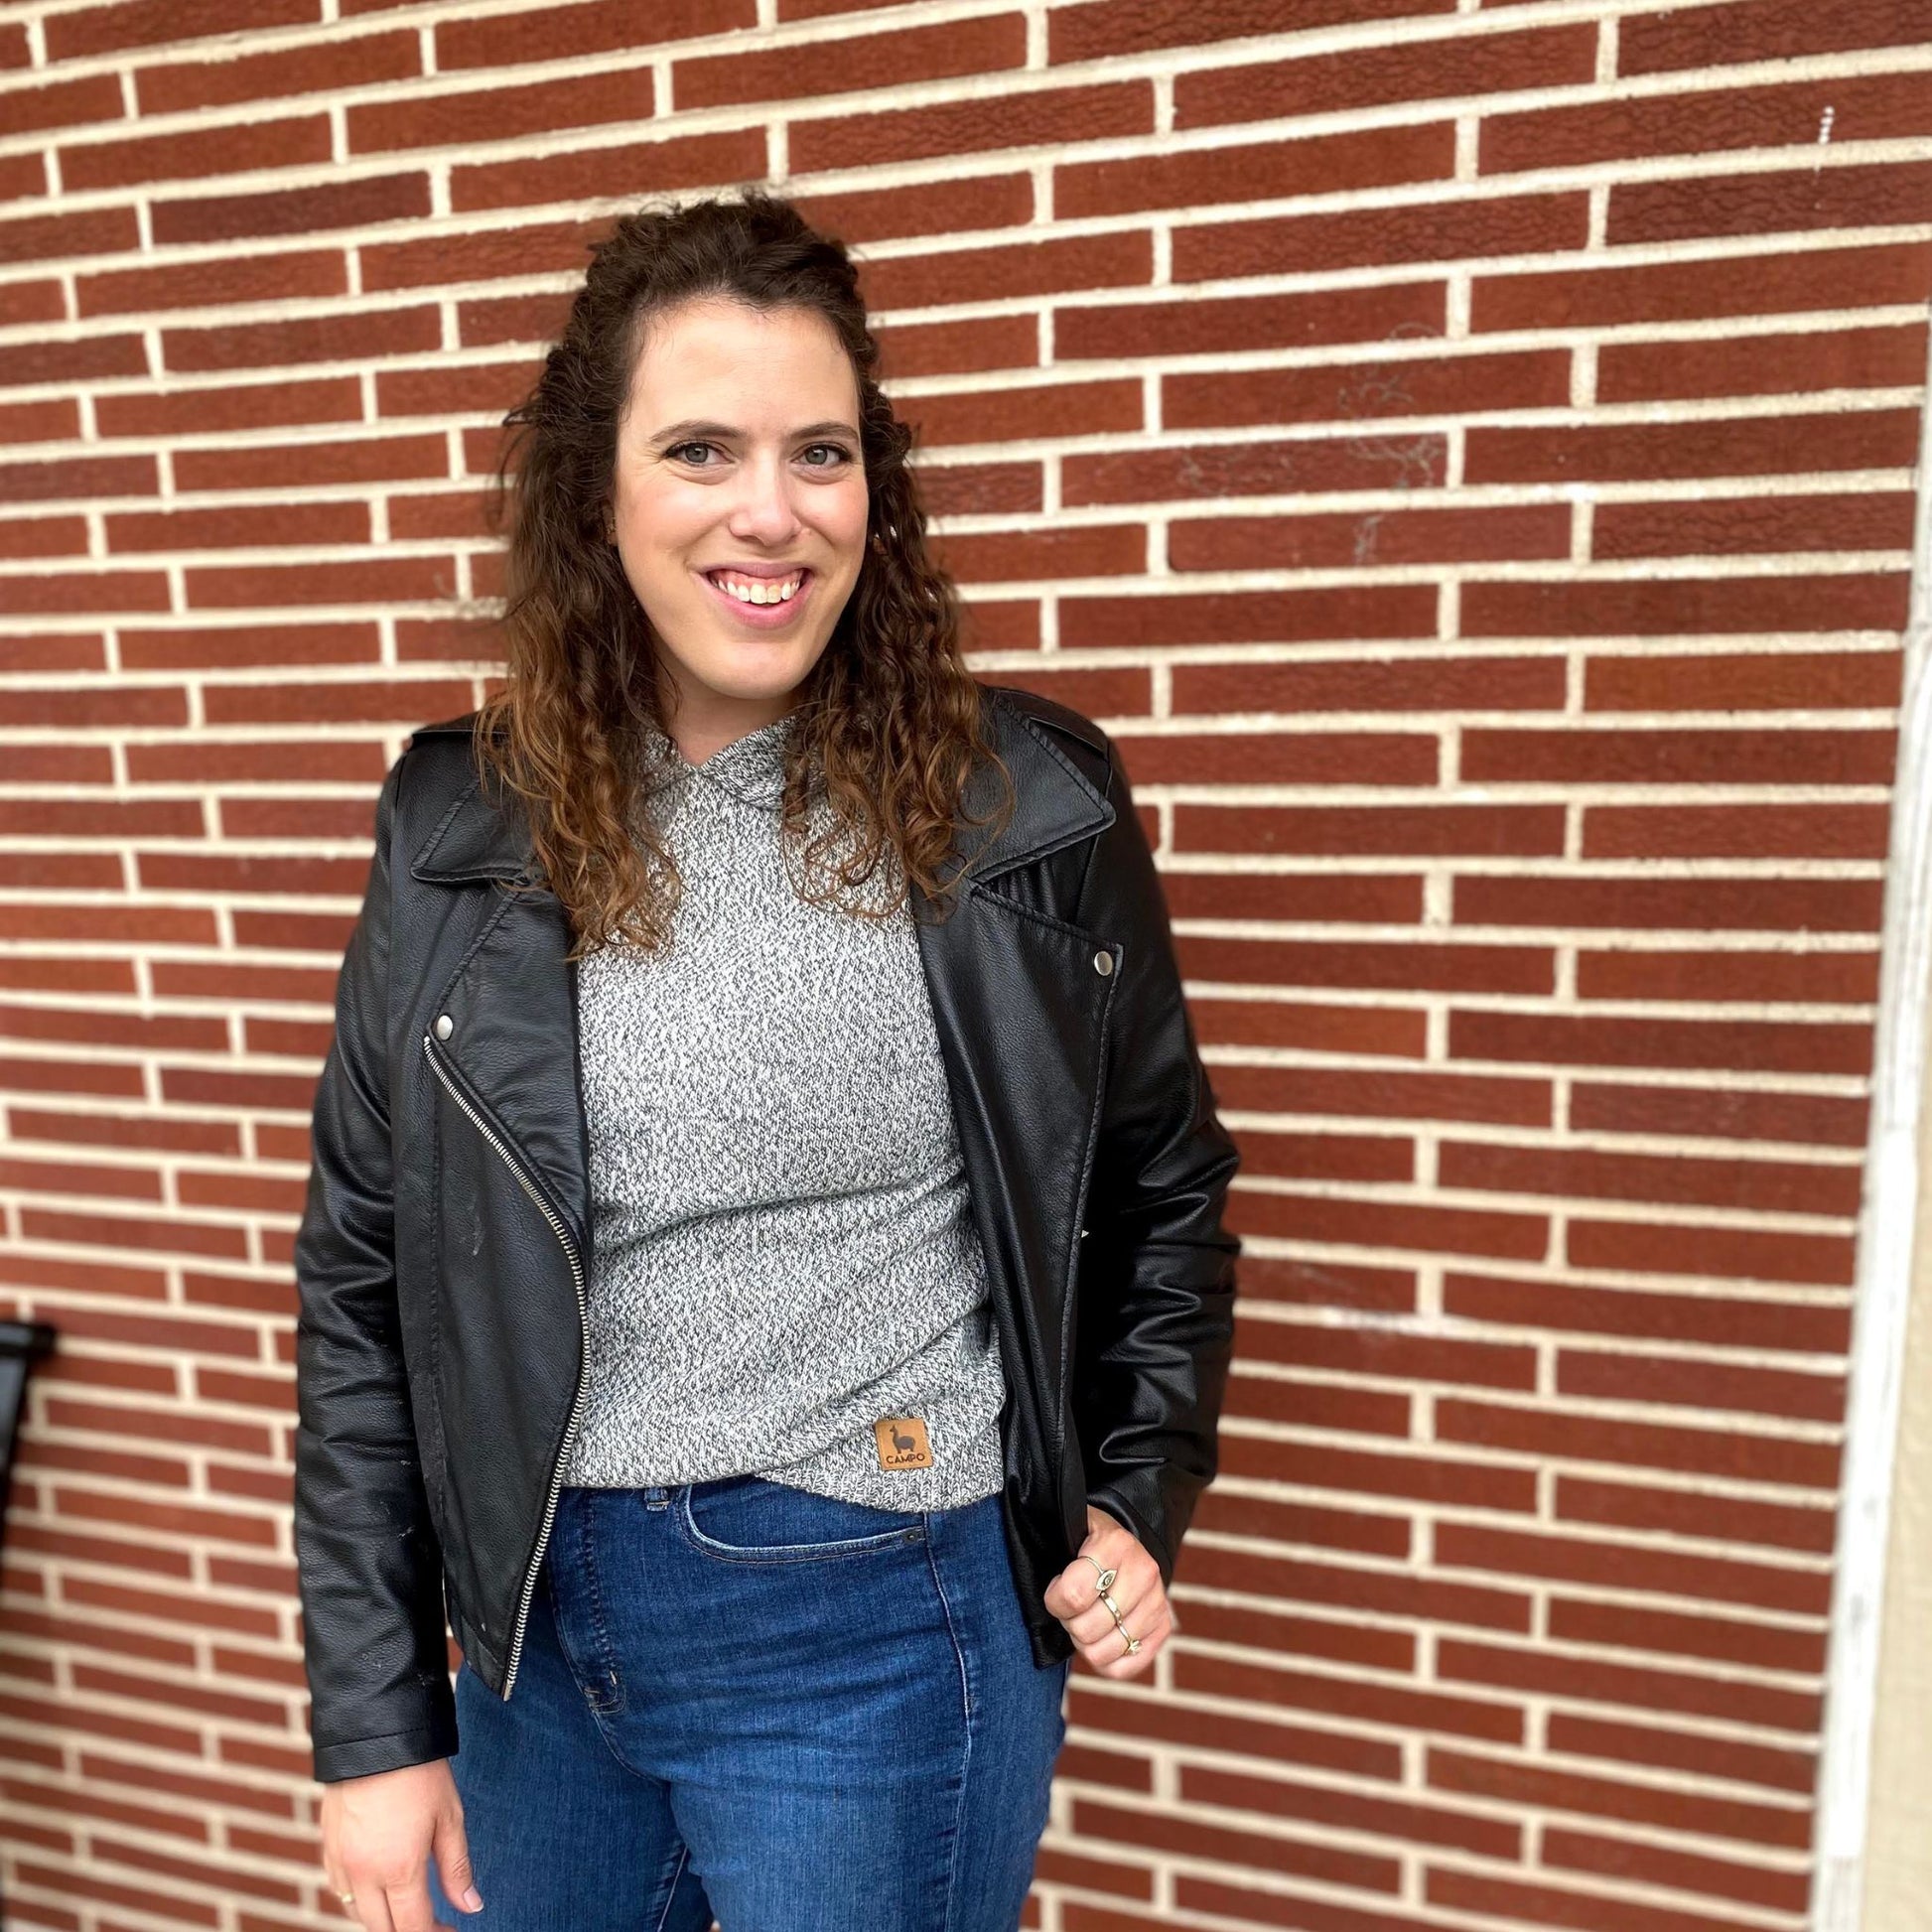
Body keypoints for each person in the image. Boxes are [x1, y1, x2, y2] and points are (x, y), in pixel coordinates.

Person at [294, 190, 1242, 1932]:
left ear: (875, 489)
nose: (770, 511)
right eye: (702, 447)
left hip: (881, 1623)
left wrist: (1134, 1486)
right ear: (599, 493)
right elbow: (365, 1277)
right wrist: (372, 1722)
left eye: (820, 451)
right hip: (534, 1639)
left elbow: (1162, 1185)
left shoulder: (1022, 808)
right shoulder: (458, 821)